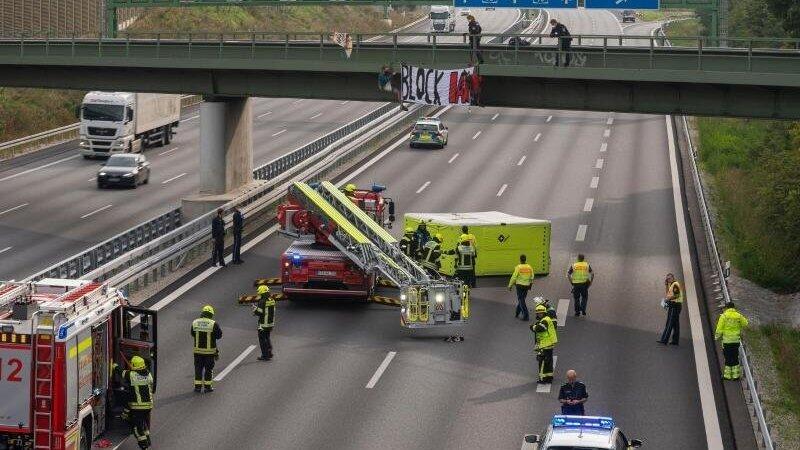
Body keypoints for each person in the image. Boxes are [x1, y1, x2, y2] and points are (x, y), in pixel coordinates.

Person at [112, 356, 153, 449]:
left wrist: (114, 366)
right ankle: (148, 440)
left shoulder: (132, 375)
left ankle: (144, 446)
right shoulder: (148, 375)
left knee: (136, 428)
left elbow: (121, 372)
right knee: (142, 423)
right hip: (148, 406)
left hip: (138, 407)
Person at [191, 305, 222, 392]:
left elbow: (192, 333)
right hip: (209, 353)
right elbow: (219, 335)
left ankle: (197, 387)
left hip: (197, 352)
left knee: (198, 369)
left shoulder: (195, 322)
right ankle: (208, 387)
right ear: (211, 314)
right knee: (208, 370)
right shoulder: (213, 324)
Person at [715, 302, 749, 380]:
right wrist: (739, 326)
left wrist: (717, 337)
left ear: (726, 308)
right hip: (736, 341)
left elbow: (719, 328)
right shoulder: (738, 316)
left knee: (728, 357)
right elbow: (746, 323)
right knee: (735, 357)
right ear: (734, 308)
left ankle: (727, 376)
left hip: (727, 341)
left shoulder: (724, 316)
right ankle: (736, 376)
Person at [531, 304, 558, 384]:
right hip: (548, 344)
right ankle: (549, 377)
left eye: (540, 313)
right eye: (538, 313)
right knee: (548, 361)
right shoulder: (546, 319)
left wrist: (533, 327)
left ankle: (542, 379)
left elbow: (540, 328)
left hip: (545, 344)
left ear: (543, 313)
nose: (539, 314)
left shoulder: (545, 320)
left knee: (542, 361)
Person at [658, 273, 683, 346]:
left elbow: (677, 295)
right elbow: (668, 294)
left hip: (674, 306)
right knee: (675, 324)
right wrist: (666, 285)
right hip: (675, 306)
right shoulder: (671, 284)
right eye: (667, 279)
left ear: (672, 277)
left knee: (669, 323)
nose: (668, 280)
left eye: (669, 278)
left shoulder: (675, 285)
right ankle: (675, 341)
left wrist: (668, 299)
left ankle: (664, 339)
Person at [253, 285, 276, 361]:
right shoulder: (272, 299)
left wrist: (254, 309)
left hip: (263, 324)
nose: (259, 295)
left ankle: (265, 355)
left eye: (260, 293)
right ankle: (269, 353)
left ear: (262, 293)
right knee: (267, 338)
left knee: (262, 340)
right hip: (270, 323)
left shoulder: (262, 301)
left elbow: (260, 312)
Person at [508, 254, 534, 321]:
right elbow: (532, 277)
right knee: (521, 299)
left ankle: (526, 316)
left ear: (520, 259)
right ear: (525, 259)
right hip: (526, 286)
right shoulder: (529, 267)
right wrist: (530, 284)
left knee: (521, 300)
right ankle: (517, 313)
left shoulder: (518, 267)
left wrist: (510, 285)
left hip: (519, 286)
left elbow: (514, 277)